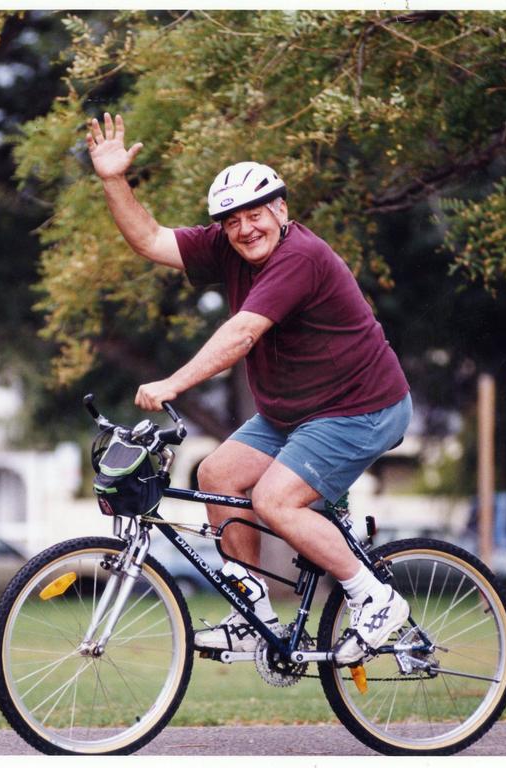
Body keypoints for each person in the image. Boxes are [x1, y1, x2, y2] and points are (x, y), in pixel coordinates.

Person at [86, 113, 414, 665]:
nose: (245, 228)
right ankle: (252, 615)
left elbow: (240, 334)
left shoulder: (300, 258)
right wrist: (113, 179)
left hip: (362, 408)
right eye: (232, 220)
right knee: (215, 474)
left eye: (255, 214)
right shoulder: (228, 248)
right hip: (294, 414)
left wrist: (173, 382)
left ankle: (375, 599)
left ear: (281, 210)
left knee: (273, 500)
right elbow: (147, 239)